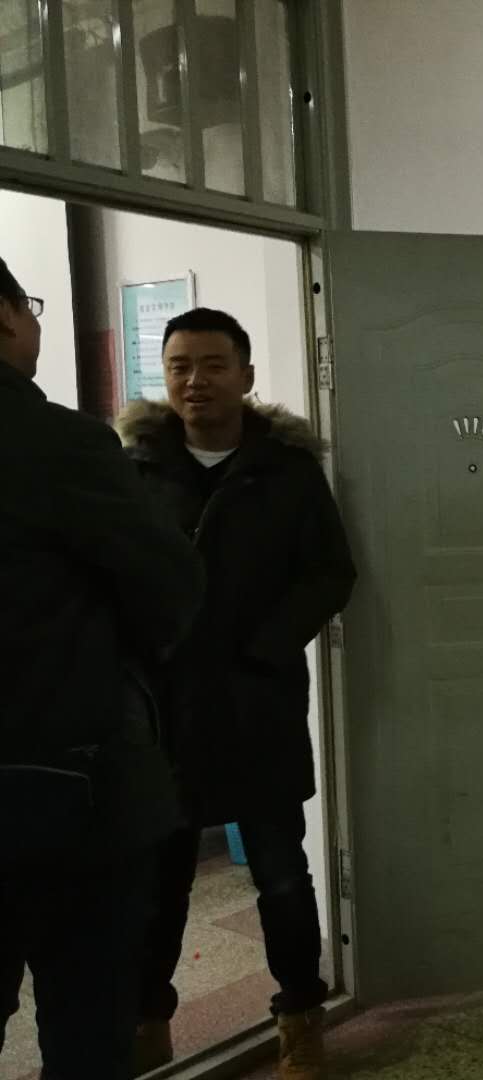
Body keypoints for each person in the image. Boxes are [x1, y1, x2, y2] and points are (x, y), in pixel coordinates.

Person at [120, 308, 356, 1079]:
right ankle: (148, 1022)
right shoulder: (136, 469)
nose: (196, 381)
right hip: (165, 712)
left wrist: (263, 649)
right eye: (180, 365)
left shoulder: (286, 471)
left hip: (259, 706)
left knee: (282, 877)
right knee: (160, 883)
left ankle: (301, 1020)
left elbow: (330, 572)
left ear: (246, 375)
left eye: (214, 364)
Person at [0, 256, 204, 1078]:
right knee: (87, 1023)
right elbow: (170, 587)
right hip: (64, 784)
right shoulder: (56, 440)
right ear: (5, 317)